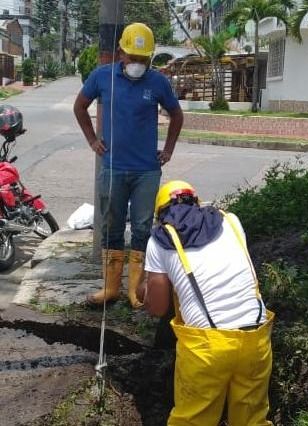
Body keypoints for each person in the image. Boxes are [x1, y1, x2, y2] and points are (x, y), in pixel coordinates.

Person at [138, 180, 274, 426]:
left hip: (207, 348)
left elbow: (157, 308)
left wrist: (145, 284)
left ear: (161, 214)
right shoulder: (231, 221)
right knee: (252, 420)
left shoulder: (160, 240)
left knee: (193, 420)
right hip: (256, 338)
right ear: (197, 202)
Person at [73, 22, 184, 308]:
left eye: (143, 59)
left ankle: (135, 291)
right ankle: (110, 289)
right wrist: (92, 140)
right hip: (113, 167)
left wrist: (168, 149)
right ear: (121, 52)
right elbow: (80, 106)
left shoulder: (157, 82)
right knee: (111, 226)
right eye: (132, 58)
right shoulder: (102, 77)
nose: (137, 63)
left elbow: (176, 115)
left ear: (150, 58)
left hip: (146, 170)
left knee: (142, 228)